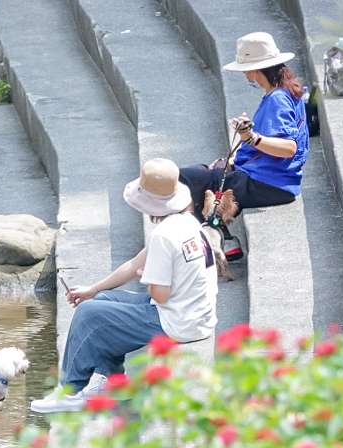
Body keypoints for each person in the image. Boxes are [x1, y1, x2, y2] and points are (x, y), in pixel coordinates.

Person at [30, 159, 217, 413]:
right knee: (101, 301)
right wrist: (94, 289)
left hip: (177, 320)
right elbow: (134, 264)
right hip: (195, 314)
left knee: (88, 314)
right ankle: (116, 382)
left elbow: (160, 295)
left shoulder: (164, 235)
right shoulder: (187, 222)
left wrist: (147, 278)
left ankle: (69, 391)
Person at [178, 32, 309, 231]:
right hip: (272, 180)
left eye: (246, 70)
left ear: (256, 69)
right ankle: (220, 236)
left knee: (184, 178)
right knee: (199, 171)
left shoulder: (277, 99)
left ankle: (214, 239)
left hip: (265, 184)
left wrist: (251, 138)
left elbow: (289, 148)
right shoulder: (286, 91)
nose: (245, 75)